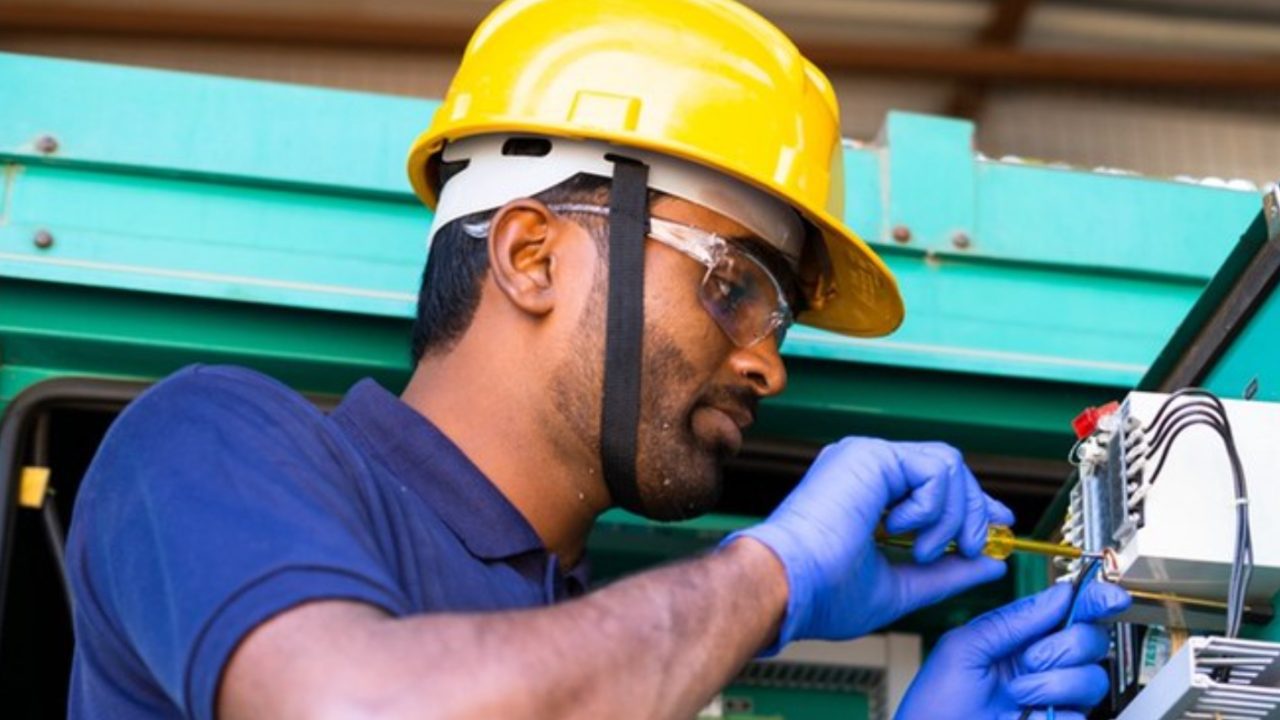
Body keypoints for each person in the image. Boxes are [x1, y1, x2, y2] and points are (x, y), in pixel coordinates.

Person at [65, 0, 1130, 718]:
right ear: (530, 255)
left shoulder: (583, 648)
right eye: (734, 285)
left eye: (778, 320)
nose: (766, 366)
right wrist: (769, 575)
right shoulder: (208, 442)